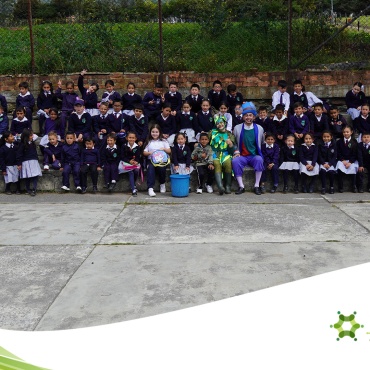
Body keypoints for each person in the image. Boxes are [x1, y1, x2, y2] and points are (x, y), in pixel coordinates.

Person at [232, 101, 264, 195]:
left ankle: (256, 185)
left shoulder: (259, 128)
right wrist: (236, 152)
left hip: (254, 155)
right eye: (246, 115)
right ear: (243, 117)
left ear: (254, 117)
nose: (248, 117)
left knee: (259, 160)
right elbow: (233, 142)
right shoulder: (237, 128)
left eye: (250, 115)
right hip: (242, 155)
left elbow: (262, 142)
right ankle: (241, 186)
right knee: (235, 161)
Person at [209, 115, 236, 195]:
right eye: (217, 123)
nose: (219, 125)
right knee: (217, 164)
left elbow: (232, 150)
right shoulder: (212, 133)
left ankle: (228, 186)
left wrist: (230, 145)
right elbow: (206, 142)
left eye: (221, 123)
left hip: (226, 154)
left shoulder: (229, 134)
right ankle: (220, 186)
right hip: (214, 154)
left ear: (224, 123)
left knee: (228, 163)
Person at [143, 124, 171, 197]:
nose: (154, 133)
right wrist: (149, 153)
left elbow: (169, 150)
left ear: (159, 132)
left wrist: (164, 149)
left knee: (162, 168)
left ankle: (162, 183)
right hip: (151, 160)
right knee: (150, 169)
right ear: (150, 132)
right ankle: (150, 188)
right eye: (153, 132)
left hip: (161, 160)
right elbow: (144, 152)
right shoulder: (148, 141)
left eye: (156, 132)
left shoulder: (164, 141)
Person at [16, 128, 42, 196]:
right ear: (26, 136)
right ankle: (28, 189)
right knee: (28, 176)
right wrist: (19, 164)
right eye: (30, 135)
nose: (32, 136)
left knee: (35, 176)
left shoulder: (32, 143)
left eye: (32, 135)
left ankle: (34, 189)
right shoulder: (22, 144)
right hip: (26, 162)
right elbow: (19, 154)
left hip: (34, 161)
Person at [335, 126, 359, 193]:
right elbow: (338, 152)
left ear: (351, 132)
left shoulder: (354, 142)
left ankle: (354, 186)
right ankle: (340, 186)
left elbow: (355, 154)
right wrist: (342, 160)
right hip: (342, 160)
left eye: (347, 132)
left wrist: (350, 162)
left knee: (353, 168)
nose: (346, 133)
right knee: (339, 168)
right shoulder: (339, 142)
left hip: (351, 160)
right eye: (344, 132)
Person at [120, 131, 141, 196]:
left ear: (135, 139)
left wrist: (136, 161)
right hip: (126, 163)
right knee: (131, 171)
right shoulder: (124, 146)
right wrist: (129, 161)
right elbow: (122, 156)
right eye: (130, 137)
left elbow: (138, 156)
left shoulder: (137, 147)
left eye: (133, 138)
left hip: (134, 163)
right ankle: (133, 189)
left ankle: (133, 184)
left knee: (136, 170)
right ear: (127, 138)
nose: (131, 139)